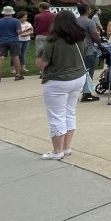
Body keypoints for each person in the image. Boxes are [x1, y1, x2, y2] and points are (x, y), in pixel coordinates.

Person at [36, 10, 88, 160]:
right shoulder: (80, 38)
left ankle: (57, 151)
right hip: (78, 77)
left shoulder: (52, 40)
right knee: (69, 112)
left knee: (56, 116)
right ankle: (66, 147)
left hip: (57, 81)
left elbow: (41, 64)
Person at [76, 4, 102, 102]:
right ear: (87, 10)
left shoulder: (75, 21)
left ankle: (77, 92)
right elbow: (94, 36)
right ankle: (87, 94)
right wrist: (100, 44)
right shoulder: (90, 22)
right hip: (88, 50)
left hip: (77, 50)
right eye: (90, 9)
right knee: (88, 72)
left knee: (79, 72)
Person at [0, 6, 24, 81]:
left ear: (4, 13)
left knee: (0, 58)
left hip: (2, 40)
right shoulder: (16, 21)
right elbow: (18, 32)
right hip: (14, 40)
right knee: (15, 57)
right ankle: (18, 75)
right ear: (12, 13)